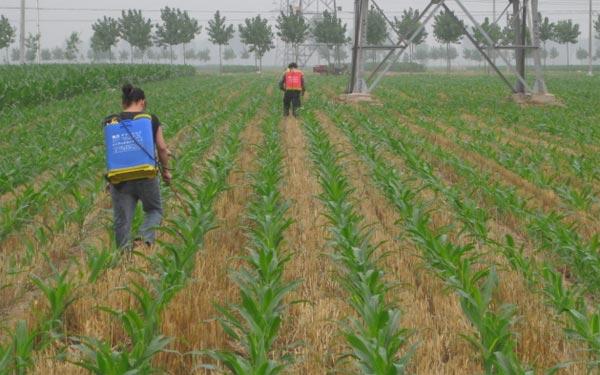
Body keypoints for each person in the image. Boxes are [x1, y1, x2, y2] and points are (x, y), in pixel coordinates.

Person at [103, 84, 171, 251]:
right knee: (154, 210)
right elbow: (162, 148)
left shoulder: (110, 122)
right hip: (145, 176)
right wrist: (166, 171)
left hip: (120, 179)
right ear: (142, 101)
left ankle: (124, 259)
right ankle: (143, 239)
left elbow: (114, 151)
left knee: (122, 220)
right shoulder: (150, 119)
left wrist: (110, 178)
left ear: (123, 103)